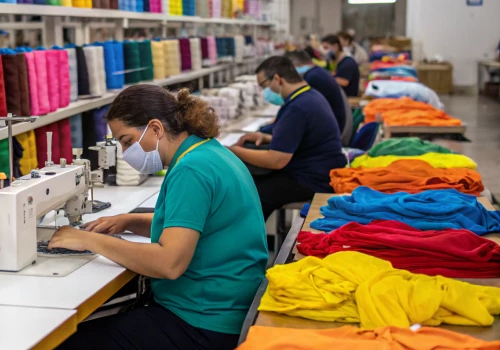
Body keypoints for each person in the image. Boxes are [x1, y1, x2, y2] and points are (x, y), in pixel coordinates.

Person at [51, 85, 267, 350]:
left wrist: (88, 240)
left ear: (155, 128)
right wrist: (128, 221)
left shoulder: (192, 169)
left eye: (127, 141)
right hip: (228, 307)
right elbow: (193, 225)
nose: (125, 151)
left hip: (202, 323)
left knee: (65, 343)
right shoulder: (208, 152)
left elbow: (169, 263)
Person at [230, 56, 346, 220]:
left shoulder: (297, 107)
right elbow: (305, 138)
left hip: (313, 179)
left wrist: (233, 151)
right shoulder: (310, 96)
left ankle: (248, 240)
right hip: (320, 169)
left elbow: (277, 160)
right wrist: (266, 137)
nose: (265, 92)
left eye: (264, 86)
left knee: (253, 191)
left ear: (277, 79)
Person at [285, 50, 349, 135]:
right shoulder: (317, 72)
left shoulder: (312, 78)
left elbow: (302, 112)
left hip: (331, 134)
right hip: (334, 128)